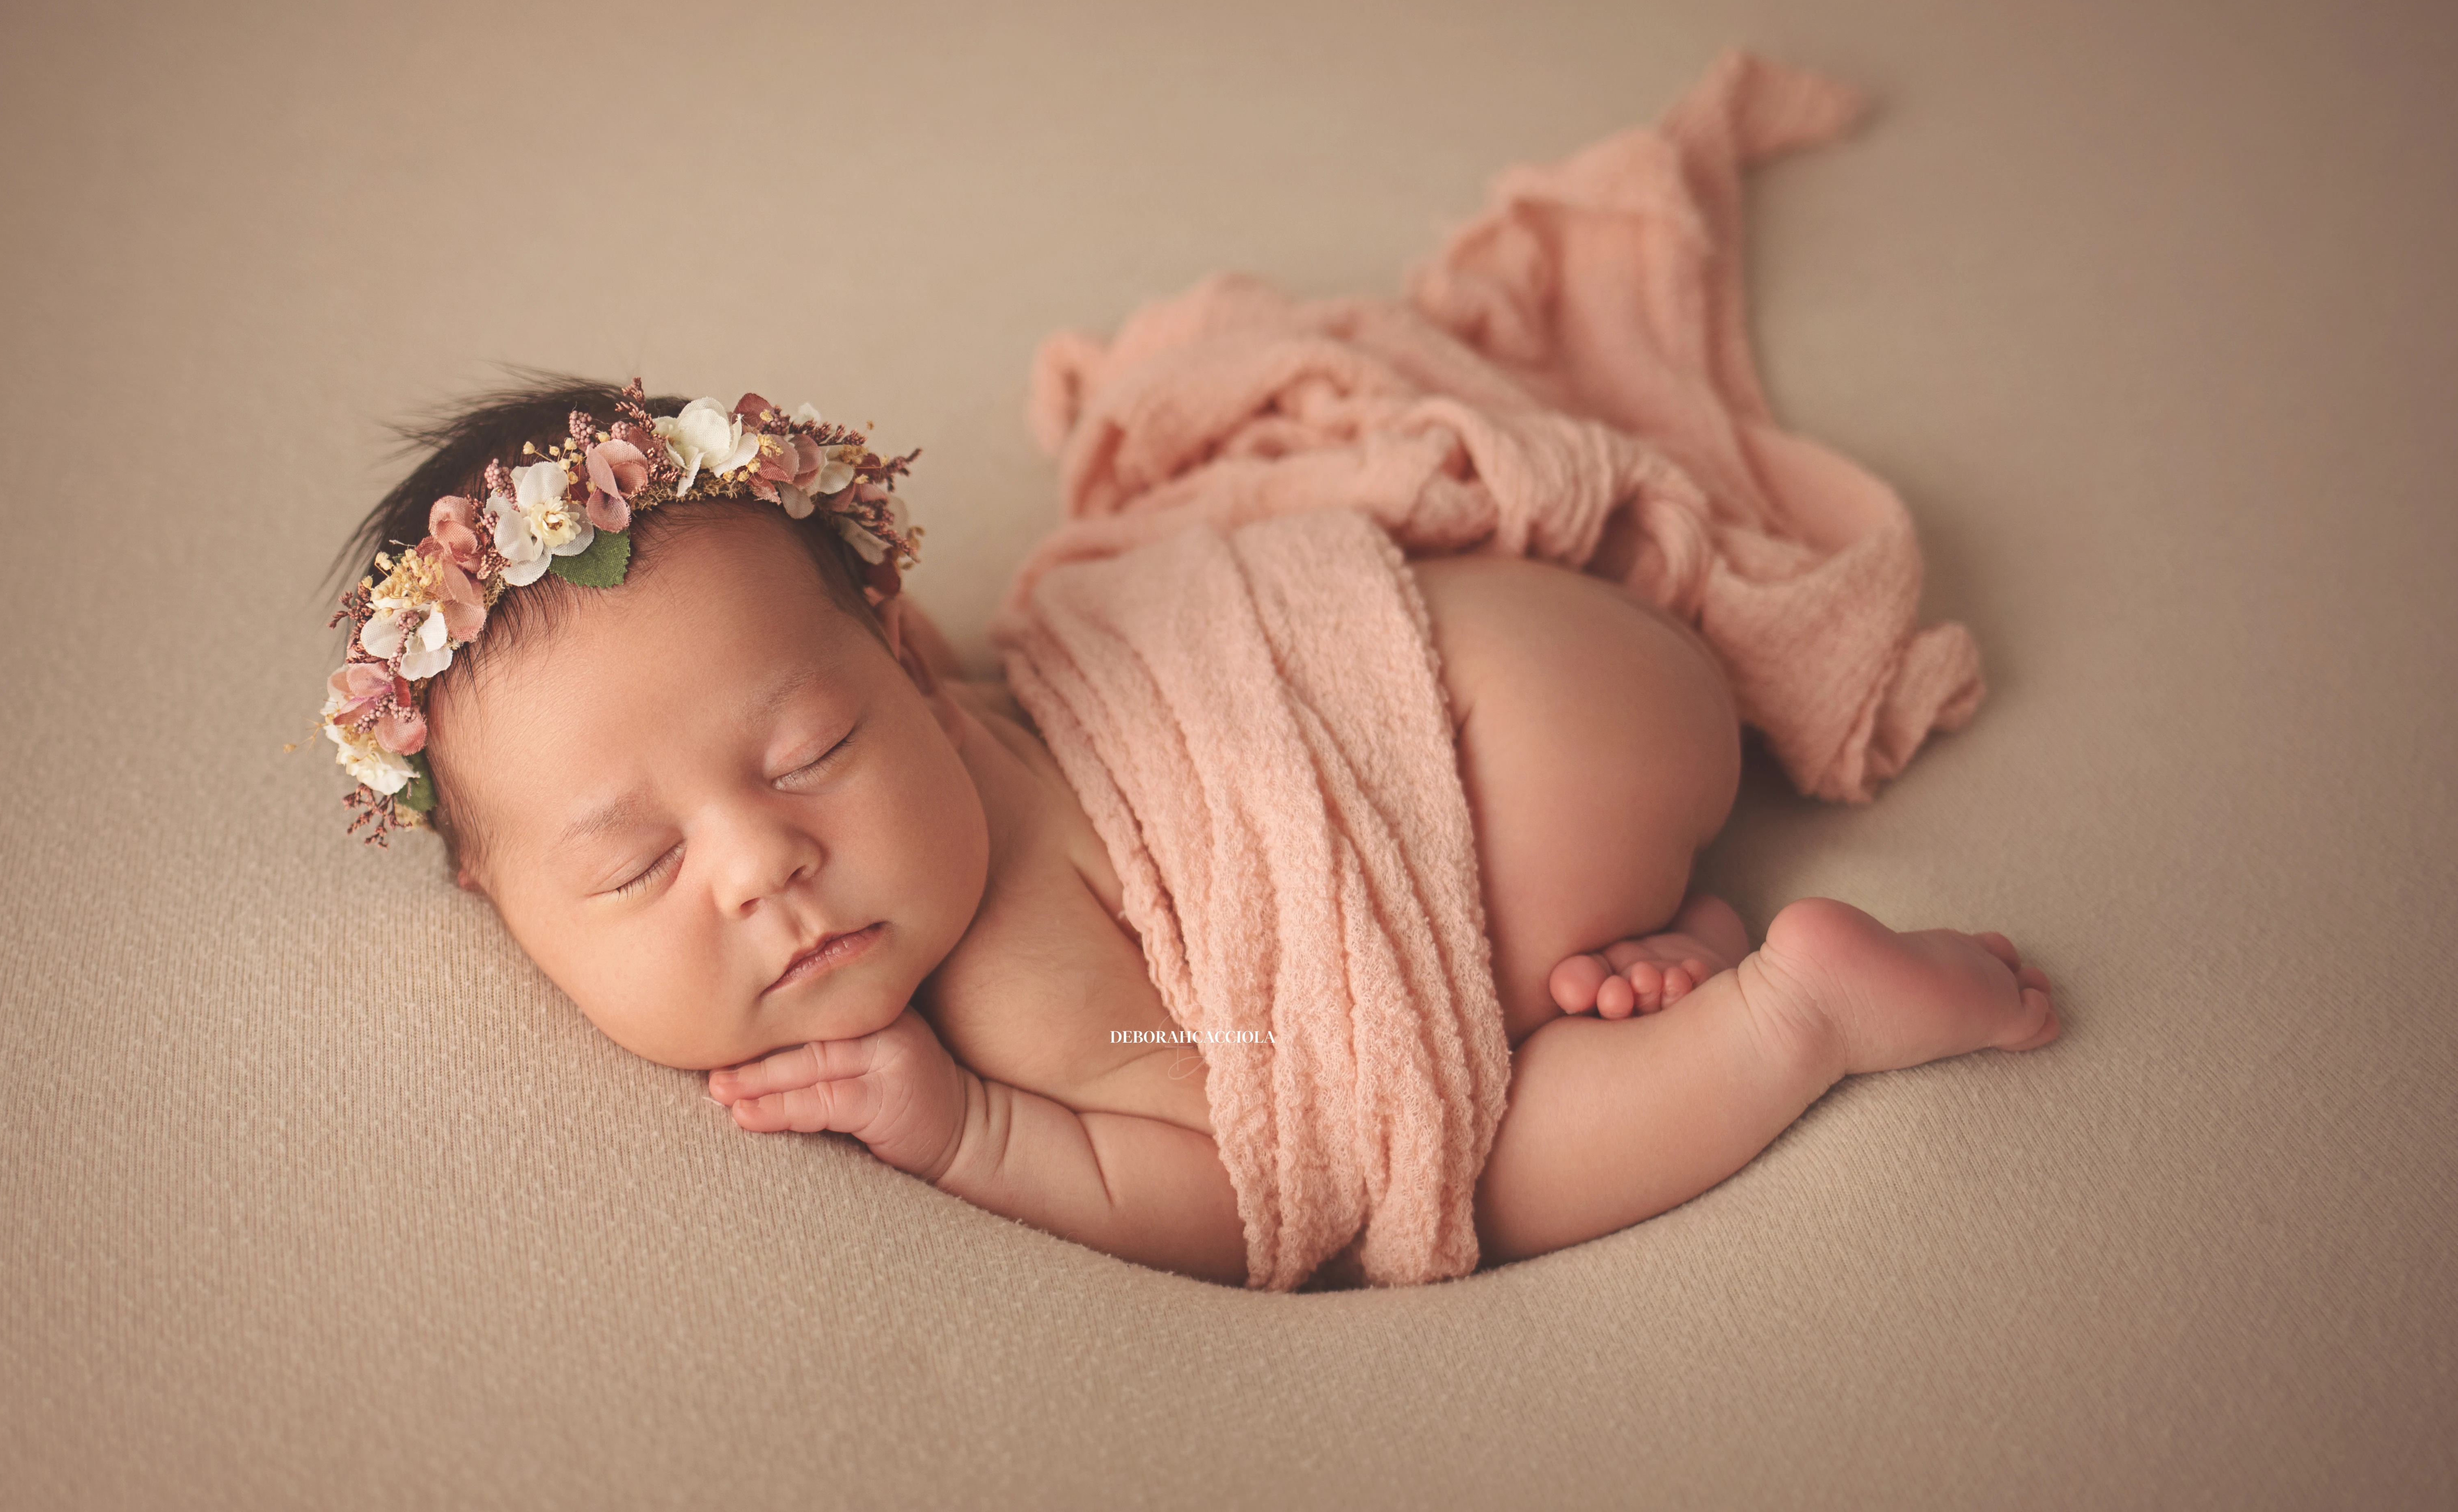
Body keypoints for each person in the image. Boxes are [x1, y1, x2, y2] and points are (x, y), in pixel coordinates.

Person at [317, 376, 2058, 1290]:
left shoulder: (1018, 992)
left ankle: (1791, 1013)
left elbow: (1257, 1161)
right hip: (1518, 635)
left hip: (1511, 760)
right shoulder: (955, 721)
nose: (763, 861)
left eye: (813, 749)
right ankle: (1642, 928)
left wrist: (976, 1133)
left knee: (1465, 1163)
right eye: (634, 868)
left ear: (908, 667)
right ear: (496, 901)